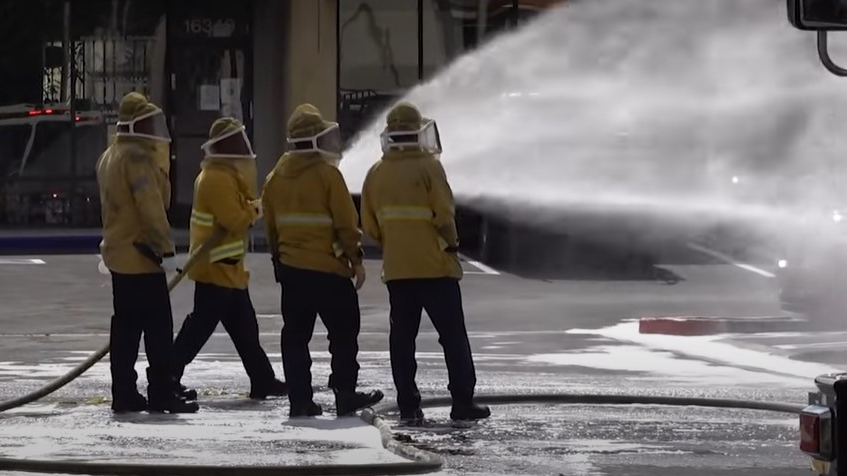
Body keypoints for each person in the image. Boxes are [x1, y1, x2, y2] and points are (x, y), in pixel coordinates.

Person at [360, 101, 490, 425]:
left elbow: (370, 224)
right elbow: (445, 216)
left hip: (399, 270)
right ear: (418, 131)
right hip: (435, 268)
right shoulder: (430, 167)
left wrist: (396, 244)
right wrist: (453, 244)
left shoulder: (376, 173)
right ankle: (462, 402)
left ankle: (408, 407)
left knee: (402, 341)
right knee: (453, 337)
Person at [262, 103, 383, 418]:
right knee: (343, 334)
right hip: (329, 271)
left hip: (292, 272)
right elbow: (346, 223)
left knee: (295, 337)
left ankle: (300, 401)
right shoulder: (328, 175)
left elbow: (271, 229)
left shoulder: (274, 179)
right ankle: (345, 394)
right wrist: (355, 260)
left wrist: (280, 263)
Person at [172, 117, 288, 400]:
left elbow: (242, 205)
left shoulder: (226, 175)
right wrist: (255, 211)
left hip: (229, 270)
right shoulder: (214, 178)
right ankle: (166, 375)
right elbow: (234, 220)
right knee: (198, 330)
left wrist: (252, 203)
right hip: (215, 269)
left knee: (246, 328)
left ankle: (262, 380)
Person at [96, 92, 198, 414]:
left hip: (118, 258)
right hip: (142, 259)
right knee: (158, 330)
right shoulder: (138, 160)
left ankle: (124, 393)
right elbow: (154, 209)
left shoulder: (110, 155)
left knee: (125, 332)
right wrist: (166, 250)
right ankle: (162, 393)